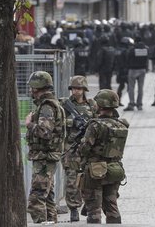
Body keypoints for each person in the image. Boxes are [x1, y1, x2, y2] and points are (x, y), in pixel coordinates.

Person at [78, 89, 129, 224]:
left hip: (96, 171)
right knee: (112, 206)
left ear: (99, 105)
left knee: (94, 209)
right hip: (115, 169)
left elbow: (84, 149)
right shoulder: (121, 125)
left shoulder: (95, 126)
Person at [25, 71, 66, 223]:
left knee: (36, 198)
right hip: (46, 157)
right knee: (48, 198)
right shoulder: (49, 104)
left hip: (44, 157)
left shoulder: (47, 107)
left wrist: (29, 124)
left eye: (32, 88)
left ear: (37, 88)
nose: (30, 91)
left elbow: (45, 132)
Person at [60, 76, 97, 222]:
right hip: (71, 148)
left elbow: (98, 121)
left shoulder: (92, 104)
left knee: (89, 178)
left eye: (79, 88)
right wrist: (72, 121)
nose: (76, 91)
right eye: (74, 88)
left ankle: (88, 205)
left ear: (84, 89)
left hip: (87, 148)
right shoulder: (65, 104)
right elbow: (57, 121)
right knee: (71, 179)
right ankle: (74, 208)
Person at [124, 36, 149, 111]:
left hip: (133, 70)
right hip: (142, 70)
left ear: (135, 41)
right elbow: (147, 59)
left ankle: (131, 104)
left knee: (131, 87)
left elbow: (127, 59)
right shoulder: (146, 49)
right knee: (140, 88)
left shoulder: (132, 49)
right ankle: (139, 104)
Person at [115, 37, 133, 106]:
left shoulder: (117, 50)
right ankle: (131, 101)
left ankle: (118, 101)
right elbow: (128, 60)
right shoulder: (126, 51)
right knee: (129, 86)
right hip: (125, 70)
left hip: (119, 70)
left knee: (121, 86)